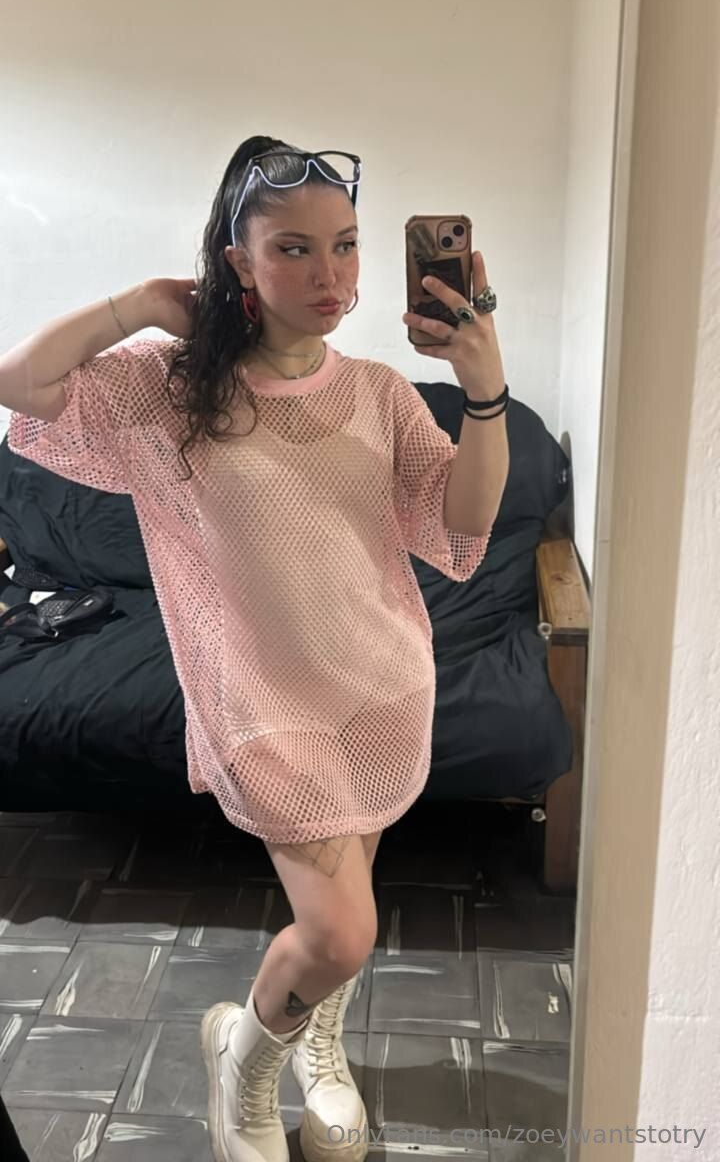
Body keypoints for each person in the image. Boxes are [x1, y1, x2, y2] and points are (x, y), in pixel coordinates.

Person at [0, 137, 509, 1162]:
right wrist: (144, 303)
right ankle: (243, 1060)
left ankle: (318, 1040)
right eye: (294, 248)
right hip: (262, 707)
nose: (331, 274)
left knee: (342, 920)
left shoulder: (379, 391)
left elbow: (464, 525)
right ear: (238, 261)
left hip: (378, 688)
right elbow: (21, 383)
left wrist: (484, 389)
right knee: (342, 933)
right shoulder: (172, 391)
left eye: (347, 245)